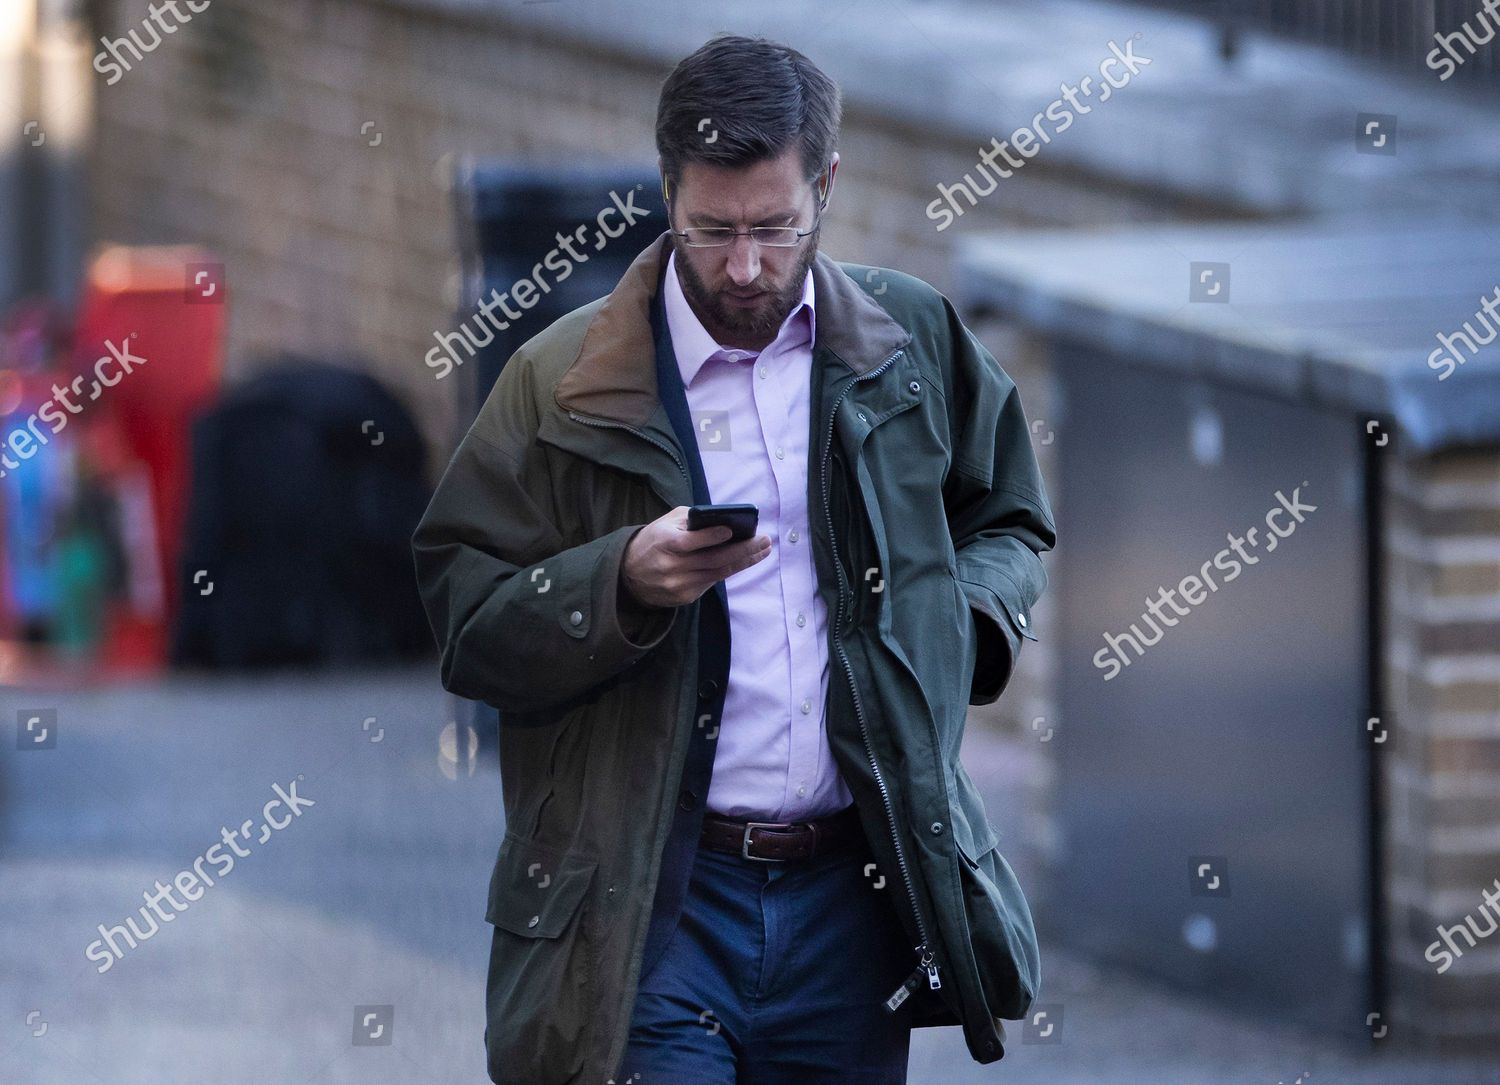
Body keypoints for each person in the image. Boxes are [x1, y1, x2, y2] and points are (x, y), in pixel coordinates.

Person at [411, 32, 1056, 1085]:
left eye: (774, 227)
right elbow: (463, 616)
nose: (745, 266)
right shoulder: (557, 380)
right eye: (712, 231)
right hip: (654, 905)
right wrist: (617, 581)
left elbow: (1010, 522)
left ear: (827, 185)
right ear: (666, 193)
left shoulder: (909, 339)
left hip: (853, 904)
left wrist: (955, 623)